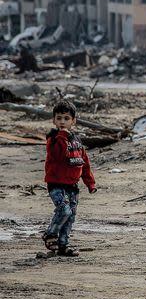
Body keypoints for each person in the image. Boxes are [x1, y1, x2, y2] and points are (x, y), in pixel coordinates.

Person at [42, 100, 97, 257]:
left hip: (72, 185)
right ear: (54, 120)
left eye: (66, 118)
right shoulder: (53, 139)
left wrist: (90, 183)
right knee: (64, 210)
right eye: (59, 118)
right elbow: (58, 155)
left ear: (73, 121)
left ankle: (63, 245)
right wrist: (62, 137)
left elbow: (84, 163)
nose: (62, 122)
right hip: (56, 184)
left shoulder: (77, 141)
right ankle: (50, 234)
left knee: (71, 216)